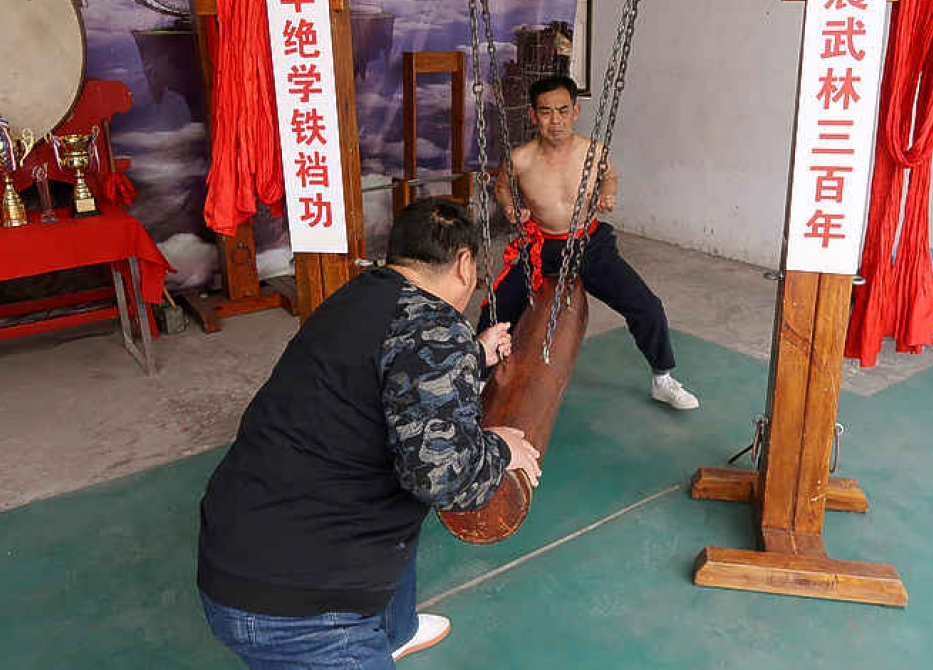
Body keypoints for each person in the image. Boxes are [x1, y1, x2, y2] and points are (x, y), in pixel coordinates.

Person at [198, 198, 542, 669]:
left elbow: (391, 365)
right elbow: (442, 480)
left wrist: (470, 357)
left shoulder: (363, 294)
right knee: (417, 471)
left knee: (391, 472)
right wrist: (500, 448)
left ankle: (396, 631)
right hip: (296, 611)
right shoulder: (435, 333)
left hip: (236, 545)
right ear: (464, 264)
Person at [479, 75, 700, 410]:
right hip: (540, 246)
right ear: (533, 115)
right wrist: (510, 207)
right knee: (496, 308)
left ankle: (662, 378)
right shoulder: (521, 158)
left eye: (563, 111)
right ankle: (479, 379)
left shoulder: (593, 152)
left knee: (647, 306)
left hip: (588, 244)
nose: (556, 120)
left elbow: (609, 175)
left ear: (575, 111)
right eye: (546, 112)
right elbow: (502, 187)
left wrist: (608, 192)